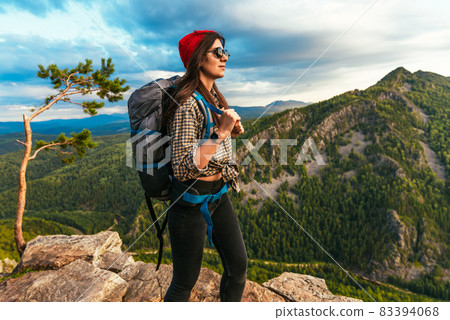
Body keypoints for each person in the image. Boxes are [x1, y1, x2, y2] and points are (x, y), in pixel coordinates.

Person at [161, 30, 247, 302]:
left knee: (238, 267)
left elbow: (209, 148)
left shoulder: (214, 99)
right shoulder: (186, 103)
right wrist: (219, 134)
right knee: (184, 282)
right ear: (199, 58)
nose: (225, 58)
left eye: (225, 52)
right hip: (189, 204)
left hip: (218, 196)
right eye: (217, 52)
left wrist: (228, 133)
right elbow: (184, 167)